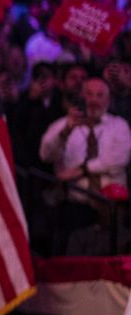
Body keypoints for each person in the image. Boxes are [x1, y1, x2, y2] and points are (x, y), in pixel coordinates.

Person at [39, 76, 131, 254]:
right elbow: (45, 155)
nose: (94, 100)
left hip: (112, 209)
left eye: (100, 95)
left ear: (108, 100)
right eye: (89, 94)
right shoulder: (62, 125)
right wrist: (66, 130)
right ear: (81, 96)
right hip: (76, 209)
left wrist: (82, 170)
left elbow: (117, 159)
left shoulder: (119, 125)